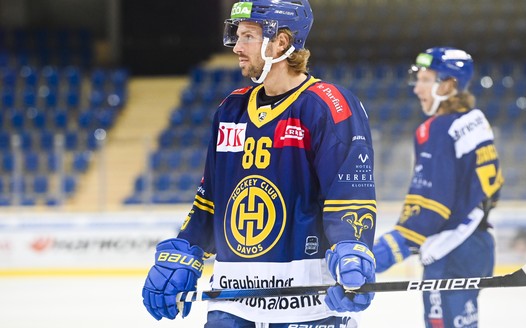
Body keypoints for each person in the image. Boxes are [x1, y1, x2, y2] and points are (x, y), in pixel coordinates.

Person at [141, 0, 377, 327]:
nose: (237, 46)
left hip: (306, 303)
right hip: (233, 301)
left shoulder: (328, 106)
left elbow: (349, 197)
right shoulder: (230, 110)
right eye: (237, 36)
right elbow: (210, 200)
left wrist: (353, 251)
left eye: (248, 36)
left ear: (281, 42)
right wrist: (186, 248)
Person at [372, 47, 503, 328]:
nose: (417, 88)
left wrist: (378, 256)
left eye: (425, 80)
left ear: (448, 85)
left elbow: (428, 212)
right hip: (478, 246)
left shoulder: (436, 130)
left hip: (450, 252)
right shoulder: (477, 120)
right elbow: (492, 191)